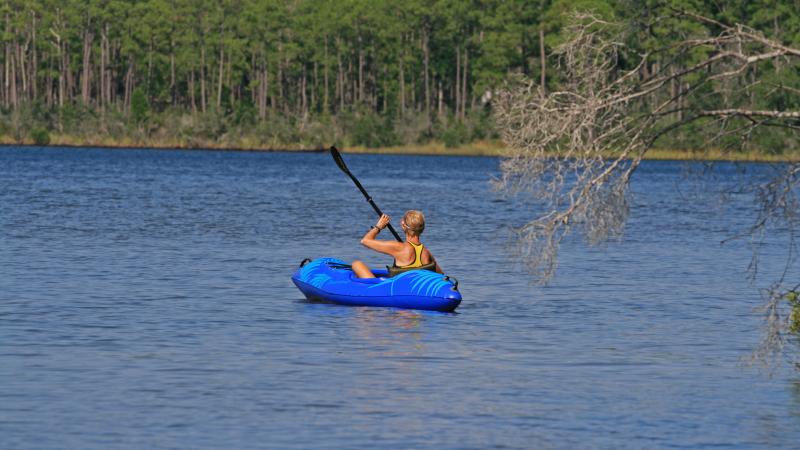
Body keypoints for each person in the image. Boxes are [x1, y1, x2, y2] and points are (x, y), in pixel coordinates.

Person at [351, 210, 443, 278]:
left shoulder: (399, 248)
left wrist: (378, 227)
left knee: (357, 264)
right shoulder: (426, 252)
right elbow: (441, 275)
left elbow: (365, 241)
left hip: (399, 291)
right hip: (415, 290)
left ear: (403, 225)